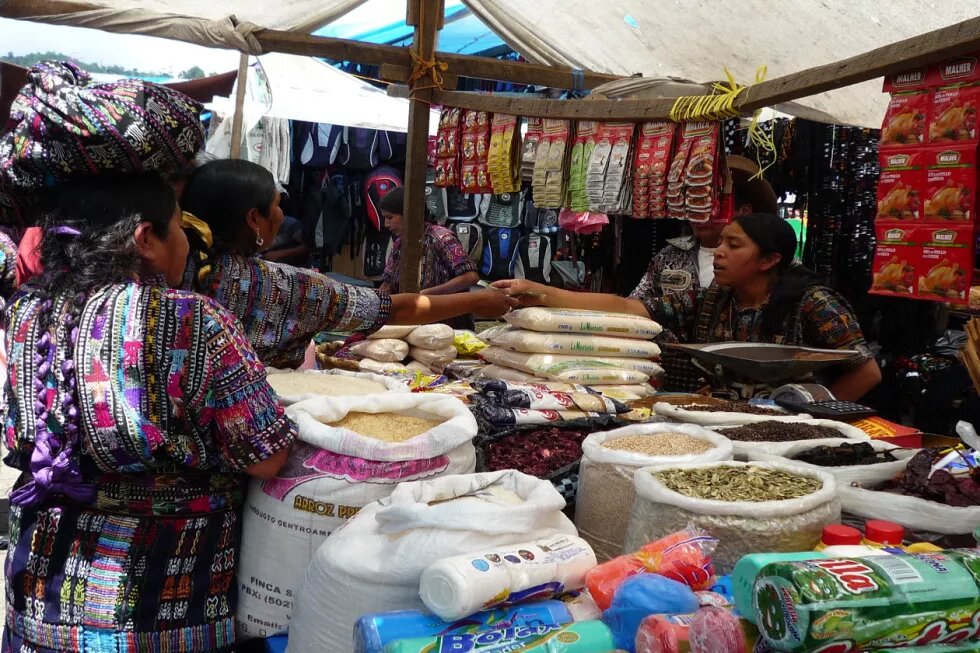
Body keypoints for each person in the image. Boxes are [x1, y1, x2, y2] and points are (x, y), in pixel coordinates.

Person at [0, 63, 292, 652]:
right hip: (163, 607)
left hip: (40, 603)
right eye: (180, 227)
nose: (189, 240)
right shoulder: (192, 319)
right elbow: (267, 456)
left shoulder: (27, 315)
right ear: (146, 239)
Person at [495, 213, 882, 401]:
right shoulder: (715, 296)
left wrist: (808, 415)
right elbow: (629, 308)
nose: (719, 255)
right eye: (720, 245)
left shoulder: (814, 302)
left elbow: (866, 373)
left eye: (734, 246)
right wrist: (542, 293)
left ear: (769, 260)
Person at [180, 160, 513, 368]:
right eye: (277, 204)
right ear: (255, 219)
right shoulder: (283, 285)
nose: (282, 214)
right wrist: (480, 299)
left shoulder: (167, 271)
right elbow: (391, 306)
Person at [631, 155, 779, 299]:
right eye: (694, 200)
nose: (699, 211)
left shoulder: (765, 259)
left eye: (712, 204)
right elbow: (637, 304)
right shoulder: (670, 255)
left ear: (743, 211)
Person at [378, 187, 481, 329]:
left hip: (447, 325)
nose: (386, 224)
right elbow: (387, 284)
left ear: (409, 214)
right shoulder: (399, 243)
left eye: (390, 217)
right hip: (412, 323)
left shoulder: (441, 237)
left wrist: (425, 295)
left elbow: (470, 277)